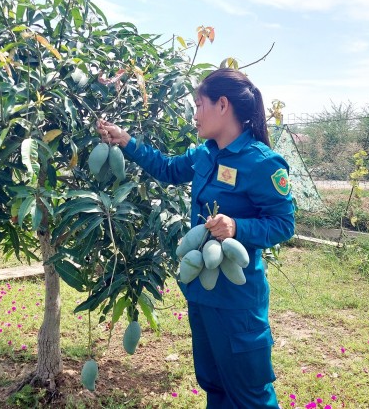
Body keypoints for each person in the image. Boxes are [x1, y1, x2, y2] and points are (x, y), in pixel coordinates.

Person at [97, 68, 295, 408]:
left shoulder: (262, 163)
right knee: (214, 384)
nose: (194, 114)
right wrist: (125, 140)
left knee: (250, 393)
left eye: (198, 104)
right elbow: (168, 169)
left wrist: (237, 227)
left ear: (222, 105)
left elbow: (283, 223)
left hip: (237, 300)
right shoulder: (204, 153)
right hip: (201, 294)